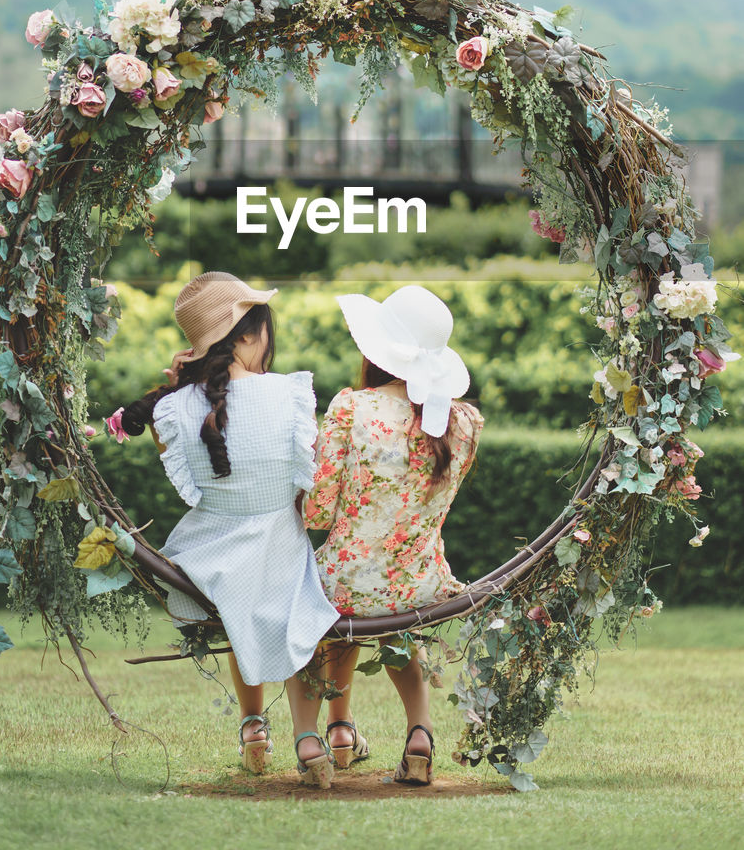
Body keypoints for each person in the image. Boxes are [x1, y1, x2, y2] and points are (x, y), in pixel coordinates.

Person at [121, 271, 340, 787]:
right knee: (294, 609)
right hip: (280, 546)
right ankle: (309, 739)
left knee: (243, 602)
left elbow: (186, 484)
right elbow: (305, 488)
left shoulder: (174, 409)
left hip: (209, 560)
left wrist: (179, 390)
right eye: (265, 329)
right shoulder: (290, 395)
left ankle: (252, 727)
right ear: (246, 335)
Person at [303, 285, 484, 785]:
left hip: (348, 583)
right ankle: (419, 735)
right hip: (420, 585)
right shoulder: (464, 422)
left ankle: (333, 731)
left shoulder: (352, 407)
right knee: (390, 611)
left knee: (325, 596)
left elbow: (317, 512)